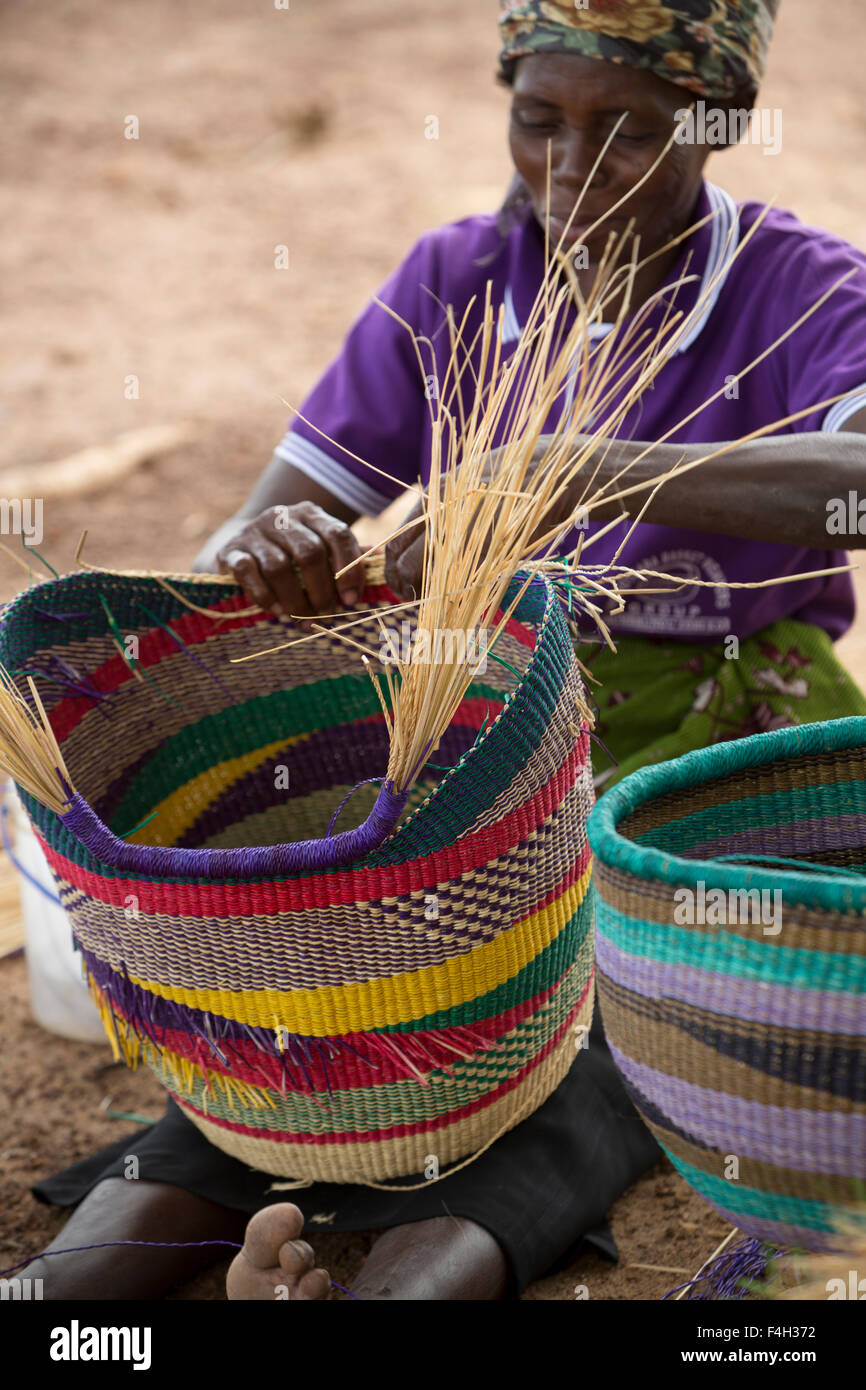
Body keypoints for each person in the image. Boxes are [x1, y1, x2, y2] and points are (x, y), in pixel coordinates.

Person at [27, 0, 866, 1301]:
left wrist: (582, 470)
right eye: (538, 119)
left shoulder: (795, 291)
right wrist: (280, 551)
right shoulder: (458, 279)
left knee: (581, 1042)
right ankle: (72, 1301)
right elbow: (240, 539)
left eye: (628, 130)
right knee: (318, 1022)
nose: (569, 166)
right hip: (478, 755)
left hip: (697, 773)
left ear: (719, 125)